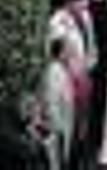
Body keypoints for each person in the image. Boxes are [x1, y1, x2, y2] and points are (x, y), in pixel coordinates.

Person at [41, 37, 78, 170]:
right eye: (68, 49)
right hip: (59, 130)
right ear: (61, 52)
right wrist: (58, 129)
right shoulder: (55, 72)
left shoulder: (62, 71)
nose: (71, 52)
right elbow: (54, 102)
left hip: (64, 127)